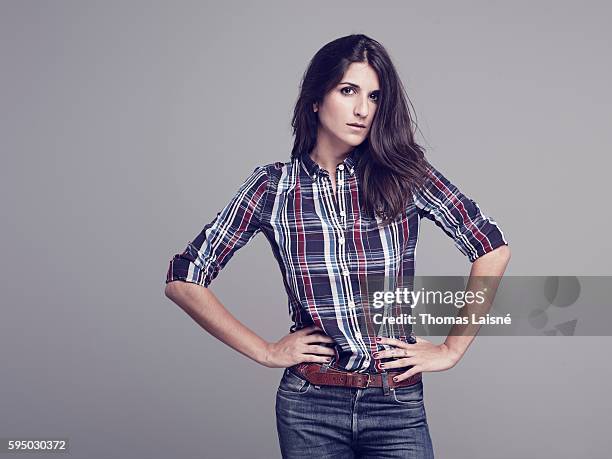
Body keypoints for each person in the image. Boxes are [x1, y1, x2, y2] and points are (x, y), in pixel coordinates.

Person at [164, 34, 510, 459]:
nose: (363, 109)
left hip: (395, 404)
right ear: (315, 99)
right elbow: (184, 278)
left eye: (375, 96)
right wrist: (266, 351)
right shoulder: (273, 187)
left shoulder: (405, 175)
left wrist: (452, 349)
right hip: (309, 407)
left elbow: (491, 247)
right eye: (349, 91)